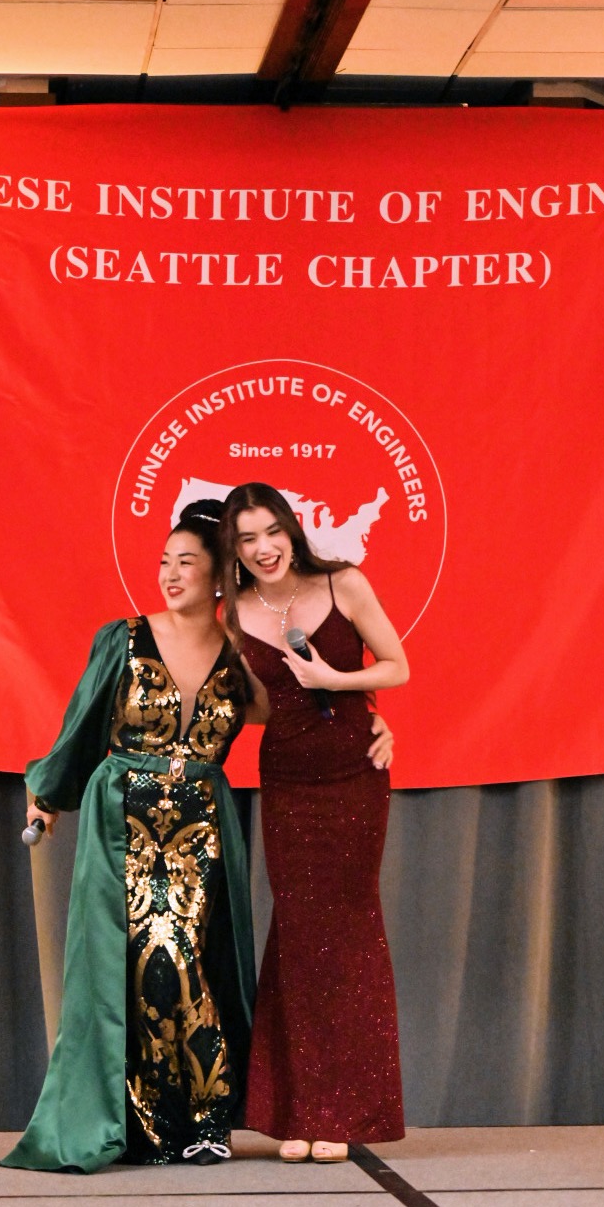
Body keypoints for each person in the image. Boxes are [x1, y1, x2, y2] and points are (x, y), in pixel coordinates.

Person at [0, 500, 267, 1173]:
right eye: (164, 562)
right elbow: (83, 723)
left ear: (220, 576)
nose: (170, 574)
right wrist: (49, 797)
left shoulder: (241, 656)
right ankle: (157, 1121)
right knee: (140, 958)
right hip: (123, 816)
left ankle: (201, 1116)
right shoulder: (123, 638)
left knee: (186, 955)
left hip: (201, 823)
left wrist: (371, 723)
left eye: (187, 563)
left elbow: (290, 715)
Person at [219, 482, 409, 1164]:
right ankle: (296, 1112)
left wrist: (339, 684)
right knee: (298, 934)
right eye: (247, 538)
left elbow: (397, 666)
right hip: (287, 780)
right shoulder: (233, 613)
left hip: (354, 774)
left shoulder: (343, 583)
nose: (263, 547)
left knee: (348, 932)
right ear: (234, 548)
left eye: (271, 531)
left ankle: (344, 1110)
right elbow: (261, 707)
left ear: (291, 529)